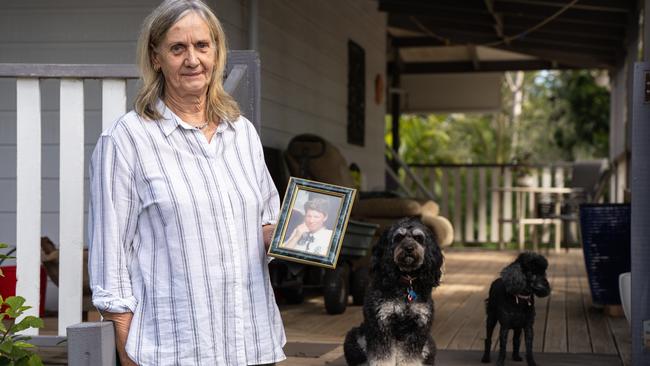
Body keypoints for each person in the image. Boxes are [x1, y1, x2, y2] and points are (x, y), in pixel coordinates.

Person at [87, 1, 285, 365]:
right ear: (156, 57)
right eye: (178, 48)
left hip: (249, 343)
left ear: (216, 52)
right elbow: (109, 258)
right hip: (172, 348)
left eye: (202, 46)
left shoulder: (242, 134)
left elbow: (265, 224)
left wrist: (304, 234)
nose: (192, 59)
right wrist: (126, 347)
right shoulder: (126, 140)